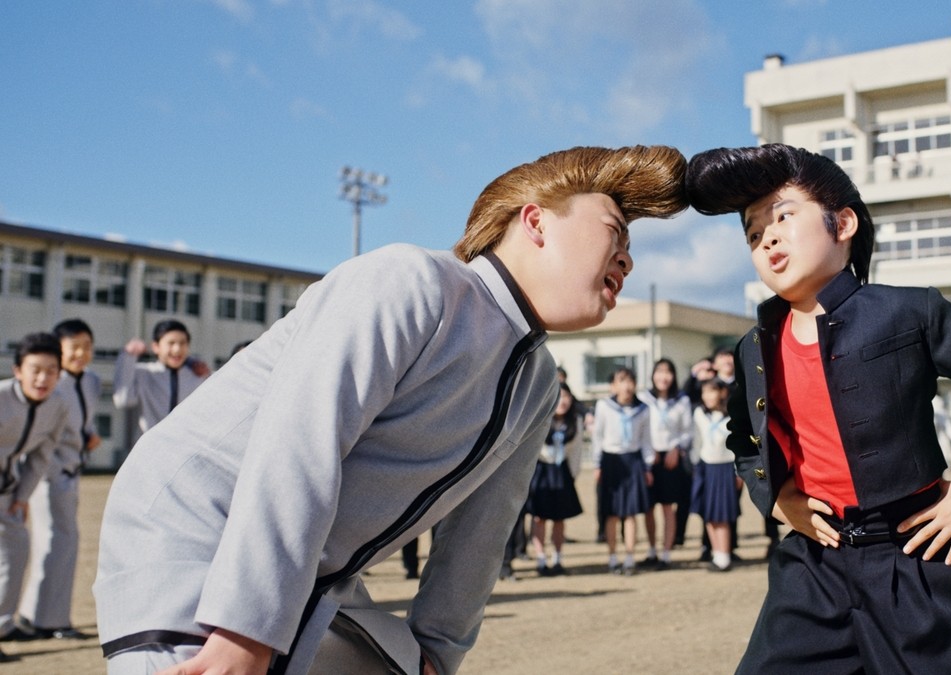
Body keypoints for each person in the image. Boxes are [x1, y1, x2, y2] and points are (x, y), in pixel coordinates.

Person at [93, 144, 688, 675]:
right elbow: (300, 442)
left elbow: (482, 532)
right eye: (616, 230)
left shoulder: (537, 378)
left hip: (320, 587)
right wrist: (244, 630)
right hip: (193, 535)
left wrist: (435, 651)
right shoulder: (409, 279)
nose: (627, 260)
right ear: (535, 221)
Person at [685, 143, 951, 673]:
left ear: (843, 222)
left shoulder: (910, 310)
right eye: (754, 233)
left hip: (914, 555)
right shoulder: (754, 345)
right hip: (811, 566)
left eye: (783, 217)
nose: (768, 238)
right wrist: (776, 495)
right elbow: (743, 434)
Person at [15, 320, 99, 641]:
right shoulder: (52, 383)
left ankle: (43, 616)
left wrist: (88, 435)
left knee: (64, 544)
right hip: (49, 472)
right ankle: (45, 620)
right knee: (54, 543)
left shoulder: (89, 380)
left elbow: (81, 421)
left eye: (87, 346)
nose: (81, 353)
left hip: (72, 470)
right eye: (73, 346)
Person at [0, 333, 69, 662]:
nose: (42, 378)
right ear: (17, 370)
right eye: (35, 369)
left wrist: (22, 496)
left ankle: (2, 625)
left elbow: (42, 455)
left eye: (51, 370)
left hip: (8, 493)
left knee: (15, 555)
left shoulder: (57, 405)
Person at [592, 366, 655, 576]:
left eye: (630, 381)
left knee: (630, 513)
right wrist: (597, 464)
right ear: (613, 385)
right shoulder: (603, 406)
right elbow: (597, 437)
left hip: (633, 460)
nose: (626, 386)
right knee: (611, 513)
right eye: (621, 381)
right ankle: (612, 557)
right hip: (611, 460)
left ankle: (629, 557)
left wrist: (648, 465)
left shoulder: (643, 409)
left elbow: (646, 440)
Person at [637, 358, 692, 569]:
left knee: (668, 508)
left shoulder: (682, 400)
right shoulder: (643, 399)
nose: (664, 377)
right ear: (653, 375)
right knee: (648, 507)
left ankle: (666, 553)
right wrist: (648, 455)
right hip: (649, 459)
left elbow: (687, 432)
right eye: (659, 372)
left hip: (671, 459)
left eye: (668, 372)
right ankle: (652, 551)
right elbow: (640, 431)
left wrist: (676, 449)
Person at [527, 383, 585, 576]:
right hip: (541, 469)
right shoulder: (540, 418)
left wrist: (573, 475)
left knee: (560, 518)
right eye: (559, 396)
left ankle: (558, 558)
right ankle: (541, 558)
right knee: (539, 518)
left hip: (562, 472)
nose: (563, 401)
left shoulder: (575, 421)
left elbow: (576, 452)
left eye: (567, 396)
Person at [112, 319, 208, 434]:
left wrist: (193, 363)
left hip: (189, 447)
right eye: (171, 343)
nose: (177, 349)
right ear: (156, 346)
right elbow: (122, 399)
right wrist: (128, 355)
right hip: (152, 447)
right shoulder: (144, 373)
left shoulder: (198, 375)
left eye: (182, 343)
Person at [690, 379, 738, 571]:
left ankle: (725, 556)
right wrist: (695, 466)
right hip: (705, 468)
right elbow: (696, 441)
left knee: (722, 514)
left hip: (725, 469)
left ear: (722, 392)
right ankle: (716, 554)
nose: (707, 396)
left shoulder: (731, 417)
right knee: (708, 513)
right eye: (704, 392)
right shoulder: (699, 414)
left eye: (712, 391)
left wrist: (738, 473)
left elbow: (737, 448)